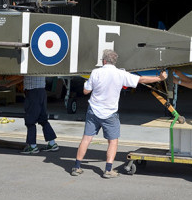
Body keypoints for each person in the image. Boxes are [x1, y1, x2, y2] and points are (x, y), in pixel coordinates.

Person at [71, 49, 167, 178]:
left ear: (104, 61)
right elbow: (141, 80)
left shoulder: (95, 72)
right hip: (110, 113)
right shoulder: (121, 74)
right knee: (113, 141)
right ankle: (108, 169)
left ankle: (77, 167)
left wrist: (87, 84)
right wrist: (159, 78)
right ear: (114, 61)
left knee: (87, 138)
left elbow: (86, 91)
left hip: (93, 110)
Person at [6, 76, 59, 154]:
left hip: (33, 93)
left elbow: (21, 77)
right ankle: (52, 143)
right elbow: (23, 78)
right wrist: (8, 84)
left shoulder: (29, 66)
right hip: (42, 92)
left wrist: (5, 79)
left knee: (30, 121)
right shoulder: (41, 64)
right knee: (43, 119)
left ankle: (32, 146)